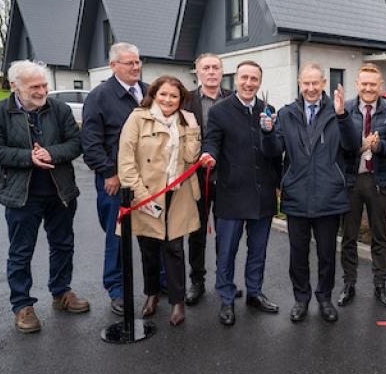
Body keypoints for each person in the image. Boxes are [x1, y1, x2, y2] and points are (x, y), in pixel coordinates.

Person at [0, 60, 88, 333]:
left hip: (60, 191)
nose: (42, 91)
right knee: (21, 252)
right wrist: (28, 157)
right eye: (34, 87)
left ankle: (61, 292)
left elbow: (76, 143)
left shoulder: (59, 109)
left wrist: (52, 153)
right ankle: (22, 305)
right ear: (15, 86)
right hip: (21, 195)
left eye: (44, 85)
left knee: (63, 244)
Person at [260, 62, 359, 323]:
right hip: (297, 195)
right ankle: (301, 299)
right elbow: (273, 150)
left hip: (330, 196)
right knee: (298, 254)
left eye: (316, 83)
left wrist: (342, 116)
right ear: (299, 84)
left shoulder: (339, 111)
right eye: (306, 83)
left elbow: (352, 146)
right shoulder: (286, 113)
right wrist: (267, 132)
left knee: (327, 254)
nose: (311, 88)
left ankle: (324, 298)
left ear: (323, 84)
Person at [117, 75, 206, 326]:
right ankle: (152, 294)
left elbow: (191, 157)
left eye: (174, 96)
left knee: (174, 248)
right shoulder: (137, 119)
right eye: (163, 94)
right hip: (145, 193)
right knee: (148, 249)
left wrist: (192, 128)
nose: (168, 100)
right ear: (154, 94)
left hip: (177, 194)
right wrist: (142, 196)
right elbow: (126, 161)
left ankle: (177, 301)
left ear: (181, 100)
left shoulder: (184, 121)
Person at [204, 60, 281, 326]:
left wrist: (270, 132)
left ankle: (254, 293)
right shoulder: (220, 111)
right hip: (231, 194)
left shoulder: (268, 110)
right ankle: (226, 298)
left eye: (254, 79)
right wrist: (209, 155)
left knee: (258, 250)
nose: (249, 83)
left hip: (262, 196)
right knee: (226, 251)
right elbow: (211, 141)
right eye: (244, 78)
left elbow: (275, 153)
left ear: (260, 82)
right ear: (235, 79)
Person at [81, 42, 148, 316]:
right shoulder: (99, 97)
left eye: (137, 62)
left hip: (147, 178)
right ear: (113, 66)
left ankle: (159, 283)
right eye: (129, 63)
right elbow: (91, 142)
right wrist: (109, 172)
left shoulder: (147, 92)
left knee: (152, 232)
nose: (136, 67)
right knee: (117, 236)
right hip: (115, 181)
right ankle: (117, 290)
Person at [337, 63, 386, 308]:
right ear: (357, 84)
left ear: (380, 85)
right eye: (364, 84)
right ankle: (349, 284)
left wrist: (378, 147)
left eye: (373, 84)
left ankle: (380, 286)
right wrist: (359, 147)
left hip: (379, 180)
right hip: (351, 180)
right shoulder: (345, 110)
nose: (369, 88)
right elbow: (337, 147)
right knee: (348, 237)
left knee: (380, 237)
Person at [182, 53, 233, 305]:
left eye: (215, 67)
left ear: (222, 72)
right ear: (197, 72)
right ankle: (197, 281)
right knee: (197, 232)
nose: (211, 72)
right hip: (196, 178)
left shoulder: (233, 99)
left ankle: (225, 281)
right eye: (206, 68)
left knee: (227, 233)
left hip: (228, 177)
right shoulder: (186, 101)